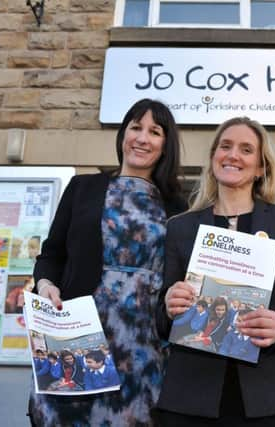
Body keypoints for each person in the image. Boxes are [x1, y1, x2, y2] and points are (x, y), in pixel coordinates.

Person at [26, 98, 187, 426]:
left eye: (154, 132)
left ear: (165, 145)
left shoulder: (179, 206)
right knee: (69, 416)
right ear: (123, 134)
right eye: (135, 128)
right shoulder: (83, 187)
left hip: (145, 345)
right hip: (80, 333)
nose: (142, 138)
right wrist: (45, 285)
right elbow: (51, 255)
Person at [156, 116, 275, 426]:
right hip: (190, 397)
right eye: (225, 146)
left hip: (266, 396)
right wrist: (168, 305)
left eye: (246, 149)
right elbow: (160, 319)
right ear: (214, 157)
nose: (232, 155)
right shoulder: (180, 227)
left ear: (260, 168)